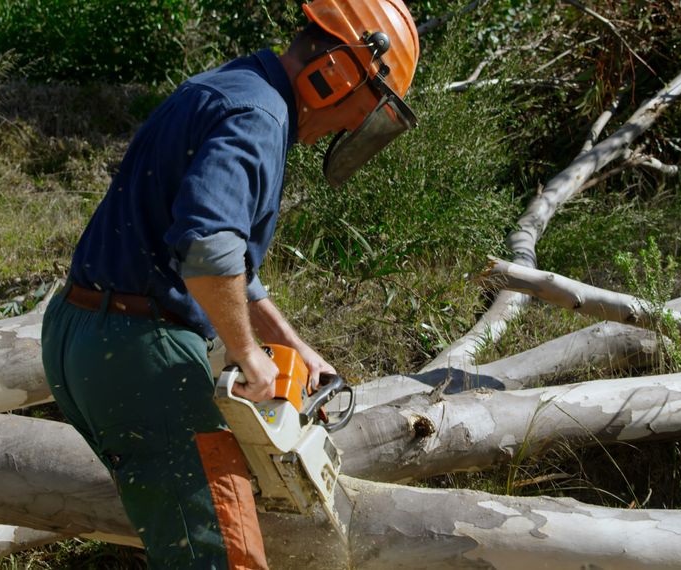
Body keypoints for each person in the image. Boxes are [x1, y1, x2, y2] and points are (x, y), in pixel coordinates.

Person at [40, 0, 419, 568]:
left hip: (75, 334)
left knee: (181, 540)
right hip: (140, 355)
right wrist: (249, 356)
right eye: (354, 115)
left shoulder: (229, 85)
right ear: (334, 74)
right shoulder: (258, 116)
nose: (340, 131)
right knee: (222, 557)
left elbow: (233, 262)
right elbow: (208, 250)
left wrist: (289, 346)